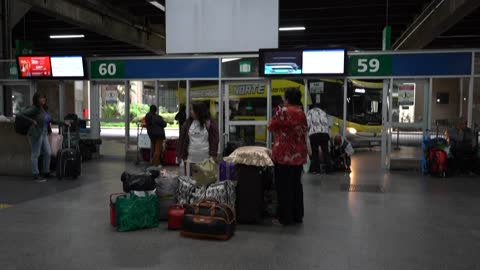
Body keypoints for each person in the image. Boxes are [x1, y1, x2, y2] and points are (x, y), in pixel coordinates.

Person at [267, 88, 308, 226]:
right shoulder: (301, 112)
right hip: (298, 155)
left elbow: (271, 126)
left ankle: (285, 218)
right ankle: (298, 215)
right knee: (296, 185)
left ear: (288, 98)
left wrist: (278, 112)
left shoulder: (284, 111)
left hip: (284, 155)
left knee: (283, 187)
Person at [18, 92, 65, 182]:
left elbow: (51, 120)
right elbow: (20, 115)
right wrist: (31, 121)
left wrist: (63, 123)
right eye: (40, 98)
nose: (43, 99)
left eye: (44, 98)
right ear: (36, 99)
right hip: (35, 133)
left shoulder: (43, 109)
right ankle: (36, 174)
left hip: (44, 133)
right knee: (35, 154)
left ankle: (46, 172)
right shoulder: (34, 109)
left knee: (48, 152)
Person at [177, 102, 219, 168]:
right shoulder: (187, 124)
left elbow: (214, 140)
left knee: (203, 178)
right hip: (189, 160)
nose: (191, 112)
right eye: (190, 109)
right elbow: (181, 140)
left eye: (193, 110)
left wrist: (213, 155)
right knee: (189, 178)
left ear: (199, 111)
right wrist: (179, 155)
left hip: (206, 161)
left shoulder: (209, 123)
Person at [306, 104, 331, 174]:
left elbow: (307, 124)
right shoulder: (323, 112)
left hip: (314, 134)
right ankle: (329, 170)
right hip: (325, 134)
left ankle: (316, 170)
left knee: (315, 152)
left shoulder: (310, 112)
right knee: (326, 152)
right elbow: (327, 124)